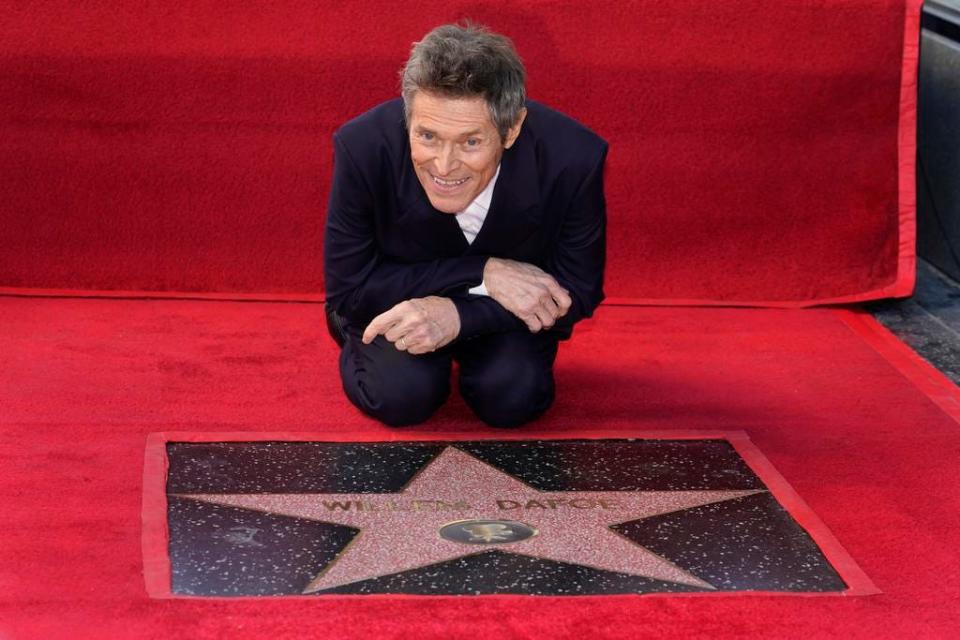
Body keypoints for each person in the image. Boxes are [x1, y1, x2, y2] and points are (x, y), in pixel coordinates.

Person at [323, 22, 608, 427]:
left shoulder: (573, 157)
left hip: (502, 316)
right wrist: (483, 272)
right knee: (400, 396)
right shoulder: (362, 145)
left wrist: (459, 315)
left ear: (511, 130)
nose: (443, 165)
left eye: (471, 142)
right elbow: (348, 288)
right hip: (393, 299)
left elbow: (579, 289)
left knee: (514, 397)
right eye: (427, 136)